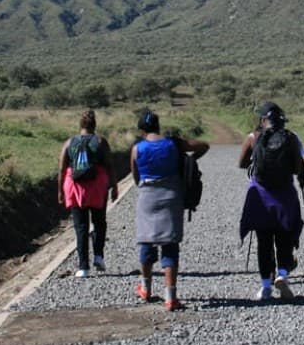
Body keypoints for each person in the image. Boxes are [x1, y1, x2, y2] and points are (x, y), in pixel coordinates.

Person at [131, 110, 209, 311]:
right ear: (158, 126)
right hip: (172, 196)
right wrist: (190, 159)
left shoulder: (137, 149)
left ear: (141, 130)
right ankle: (171, 297)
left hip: (147, 196)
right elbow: (204, 146)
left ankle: (145, 288)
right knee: (170, 244)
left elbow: (136, 178)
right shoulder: (173, 143)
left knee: (147, 242)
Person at [238, 102, 304, 301]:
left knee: (263, 241)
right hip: (285, 194)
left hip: (260, 195)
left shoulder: (253, 137)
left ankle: (265, 286)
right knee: (285, 237)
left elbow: (242, 163)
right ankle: (282, 274)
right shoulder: (291, 138)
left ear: (262, 120)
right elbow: (297, 167)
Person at [58, 109, 118, 278]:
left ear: (80, 125)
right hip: (97, 187)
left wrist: (60, 191)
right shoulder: (100, 141)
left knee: (81, 227)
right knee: (99, 222)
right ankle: (98, 256)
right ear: (94, 125)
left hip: (75, 188)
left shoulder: (70, 142)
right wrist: (114, 186)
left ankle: (83, 267)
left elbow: (62, 168)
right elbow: (110, 165)